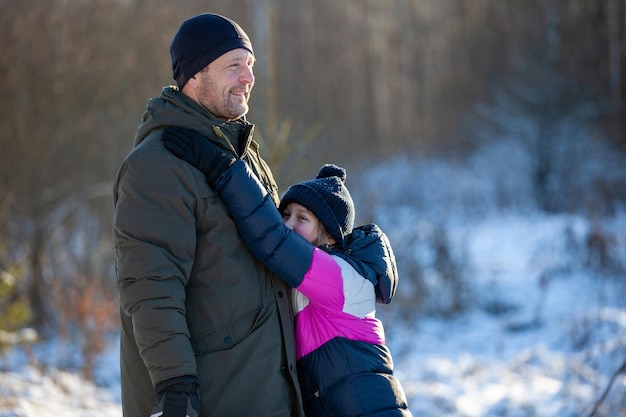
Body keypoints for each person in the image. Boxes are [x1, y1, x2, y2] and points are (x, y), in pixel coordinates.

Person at [112, 13, 304, 417]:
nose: (248, 77)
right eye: (233, 66)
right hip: (211, 396)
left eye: (250, 65)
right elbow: (150, 287)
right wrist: (175, 385)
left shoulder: (241, 151)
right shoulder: (158, 164)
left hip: (263, 389)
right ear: (194, 76)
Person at [161, 126, 413, 416]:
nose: (289, 224)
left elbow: (272, 238)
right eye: (285, 214)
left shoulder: (343, 280)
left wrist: (222, 167)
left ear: (330, 237)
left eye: (302, 218)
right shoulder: (301, 283)